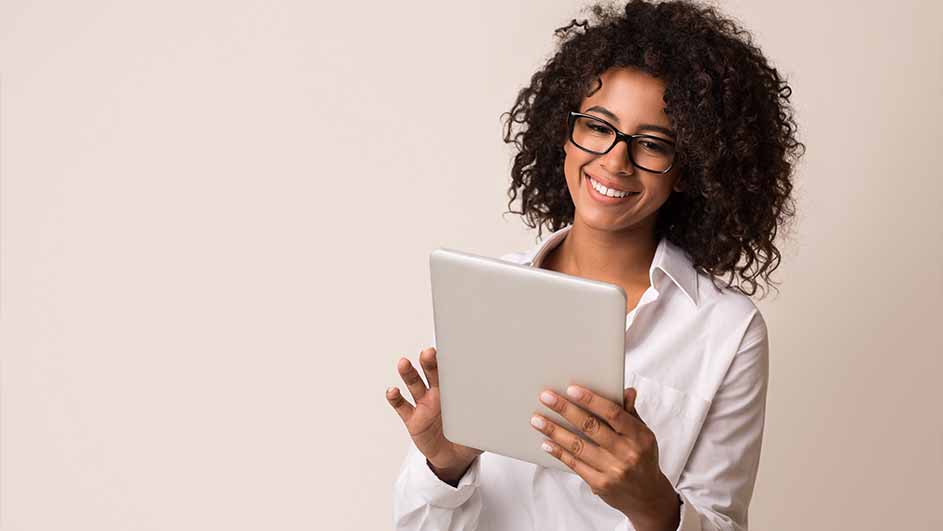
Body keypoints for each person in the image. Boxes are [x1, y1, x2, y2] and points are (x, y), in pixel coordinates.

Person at [386, 0, 804, 529]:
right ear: (564, 134)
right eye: (598, 126)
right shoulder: (482, 295)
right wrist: (443, 469)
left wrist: (654, 503)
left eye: (652, 144)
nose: (615, 160)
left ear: (689, 169)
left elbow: (722, 518)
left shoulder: (727, 330)